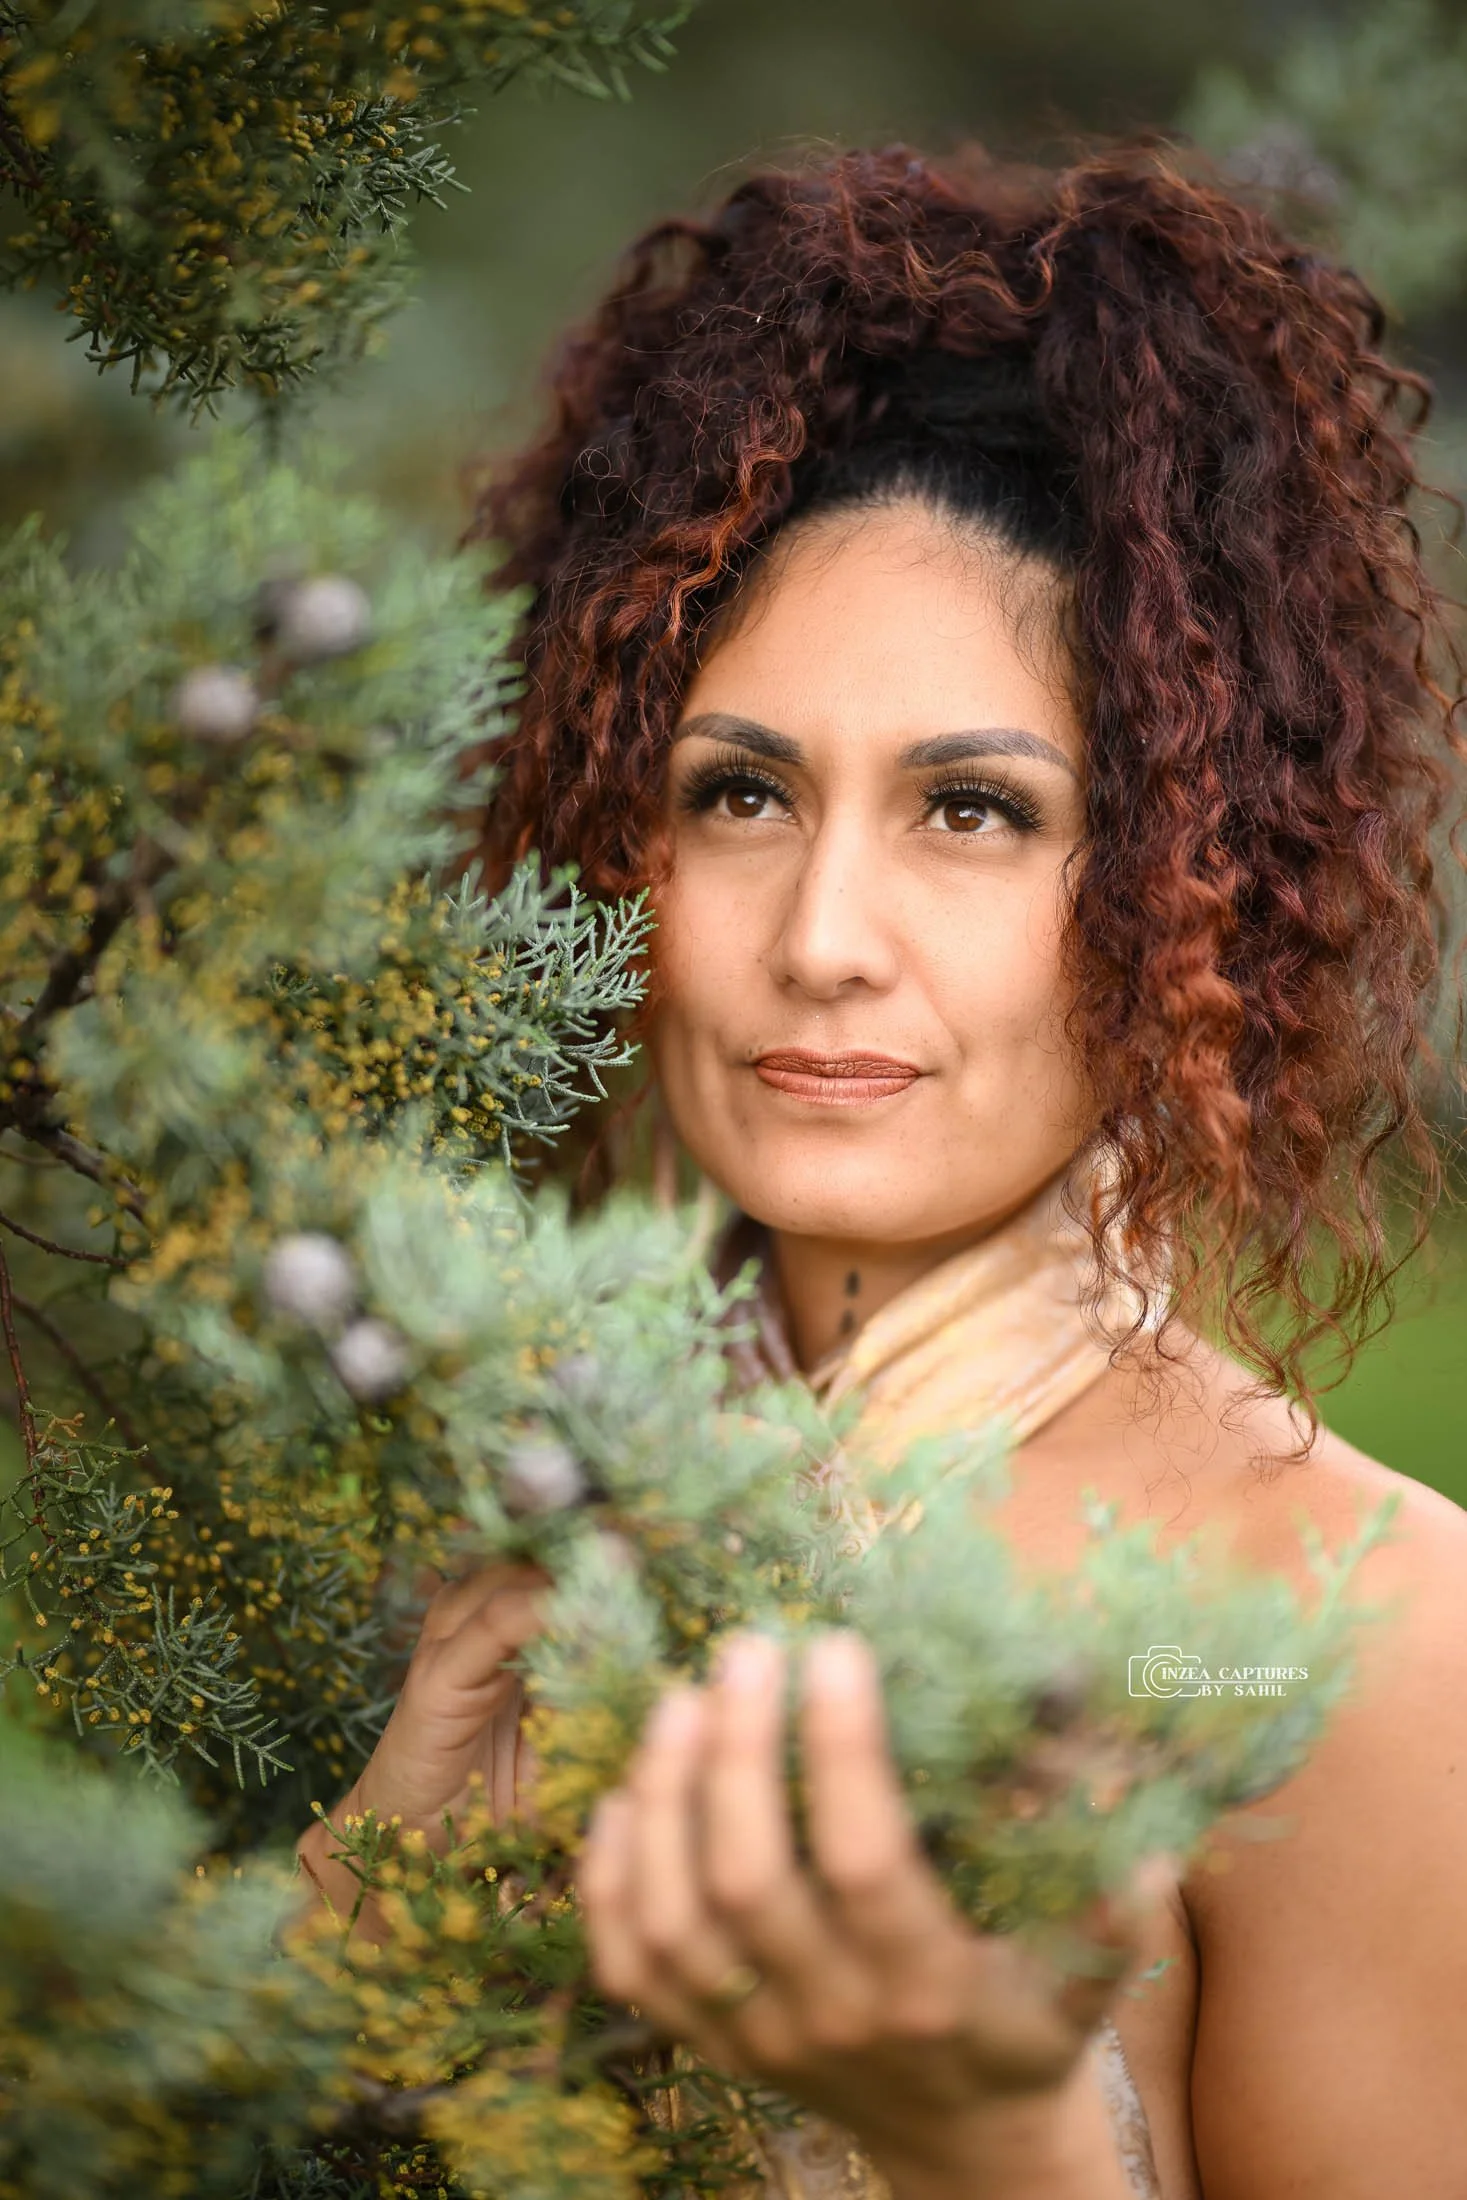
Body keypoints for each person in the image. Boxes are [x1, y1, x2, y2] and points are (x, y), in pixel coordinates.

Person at [295, 144, 1467, 2197]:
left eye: (974, 812)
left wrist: (991, 2143)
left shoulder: (1362, 1629)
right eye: (737, 790)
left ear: (1191, 880)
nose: (822, 930)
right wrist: (349, 1936)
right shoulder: (474, 1493)